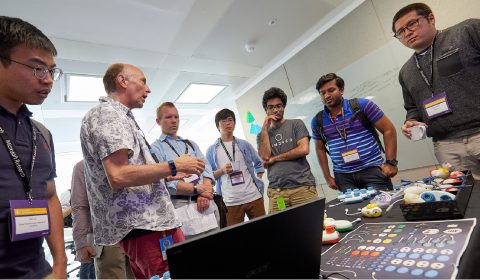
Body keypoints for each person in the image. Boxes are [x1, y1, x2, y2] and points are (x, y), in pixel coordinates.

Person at [80, 63, 205, 278]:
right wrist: (174, 165)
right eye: (143, 81)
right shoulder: (107, 115)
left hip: (148, 224)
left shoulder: (121, 117)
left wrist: (168, 173)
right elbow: (118, 175)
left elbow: (131, 169)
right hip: (144, 225)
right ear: (122, 81)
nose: (148, 89)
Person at [0, 16, 66, 278]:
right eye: (37, 68)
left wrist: (60, 265)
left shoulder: (41, 132)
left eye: (51, 70)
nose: (48, 79)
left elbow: (49, 196)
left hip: (39, 271)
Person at [393, 3, 480, 179]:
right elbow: (412, 108)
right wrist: (411, 121)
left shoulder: (467, 31)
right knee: (467, 199)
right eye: (400, 32)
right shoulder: (406, 72)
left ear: (431, 18)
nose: (407, 33)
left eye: (412, 24)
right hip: (445, 145)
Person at [311, 73, 398, 191]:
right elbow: (320, 148)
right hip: (343, 177)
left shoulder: (362, 106)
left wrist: (391, 163)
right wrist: (327, 177)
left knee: (382, 207)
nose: (327, 96)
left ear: (341, 89)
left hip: (372, 170)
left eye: (331, 90)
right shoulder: (318, 120)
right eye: (322, 93)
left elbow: (389, 129)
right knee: (353, 210)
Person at [150, 102, 219, 238]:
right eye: (168, 117)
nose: (174, 120)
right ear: (158, 121)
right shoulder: (155, 149)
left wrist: (204, 193)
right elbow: (164, 182)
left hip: (205, 200)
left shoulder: (191, 144)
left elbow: (207, 169)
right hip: (180, 204)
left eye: (176, 117)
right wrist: (197, 189)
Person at [257, 87, 318, 213]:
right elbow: (265, 157)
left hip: (302, 189)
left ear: (283, 107)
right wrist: (264, 129)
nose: (275, 110)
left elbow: (303, 149)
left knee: (311, 225)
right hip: (277, 193)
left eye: (279, 106)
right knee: (281, 230)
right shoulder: (262, 135)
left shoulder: (296, 124)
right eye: (271, 107)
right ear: (266, 110)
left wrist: (275, 158)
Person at [71, 160, 133, 279]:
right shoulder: (82, 167)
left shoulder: (128, 162)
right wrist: (80, 243)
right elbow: (79, 207)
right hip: (107, 239)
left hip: (137, 234)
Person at [206, 108, 266, 226]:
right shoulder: (212, 150)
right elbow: (208, 176)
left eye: (230, 120)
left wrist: (258, 179)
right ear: (217, 126)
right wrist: (222, 170)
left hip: (253, 197)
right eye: (223, 121)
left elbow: (259, 163)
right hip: (230, 201)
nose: (228, 123)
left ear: (234, 123)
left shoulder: (244, 144)